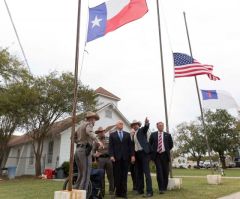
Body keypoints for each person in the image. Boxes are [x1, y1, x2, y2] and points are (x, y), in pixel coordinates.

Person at [74, 111, 104, 190]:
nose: (95, 122)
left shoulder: (80, 126)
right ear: (91, 119)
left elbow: (73, 137)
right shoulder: (89, 124)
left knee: (81, 174)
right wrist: (98, 141)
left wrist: (79, 143)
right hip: (84, 151)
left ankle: (75, 191)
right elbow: (89, 132)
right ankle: (82, 195)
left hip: (78, 151)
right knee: (86, 173)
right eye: (94, 119)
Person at [109, 120, 135, 198]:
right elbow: (111, 147)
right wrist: (111, 155)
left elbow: (130, 146)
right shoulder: (112, 135)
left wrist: (132, 156)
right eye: (120, 124)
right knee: (117, 176)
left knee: (124, 176)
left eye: (122, 124)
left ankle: (124, 193)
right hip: (116, 158)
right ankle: (118, 192)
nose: (121, 125)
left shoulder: (127, 134)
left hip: (125, 158)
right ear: (116, 125)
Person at [131, 118, 153, 197]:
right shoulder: (133, 134)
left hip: (144, 154)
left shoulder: (141, 131)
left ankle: (149, 191)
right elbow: (132, 146)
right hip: (137, 155)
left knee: (146, 173)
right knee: (138, 173)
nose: (134, 126)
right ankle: (140, 190)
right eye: (133, 125)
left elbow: (146, 128)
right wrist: (133, 156)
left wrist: (146, 123)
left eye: (136, 124)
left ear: (138, 125)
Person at [149, 122, 173, 194]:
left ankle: (164, 187)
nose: (161, 127)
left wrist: (166, 149)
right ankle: (161, 188)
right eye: (160, 126)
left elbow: (171, 145)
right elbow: (150, 144)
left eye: (162, 126)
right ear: (157, 127)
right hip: (157, 156)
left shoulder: (168, 135)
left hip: (165, 155)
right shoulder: (153, 135)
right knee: (159, 172)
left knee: (165, 172)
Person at [94, 126, 114, 195]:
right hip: (100, 160)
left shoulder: (109, 139)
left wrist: (112, 156)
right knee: (101, 176)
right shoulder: (96, 141)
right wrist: (95, 155)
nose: (101, 133)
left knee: (110, 176)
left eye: (102, 131)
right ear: (98, 133)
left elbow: (112, 148)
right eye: (99, 132)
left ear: (104, 132)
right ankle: (102, 192)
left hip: (108, 159)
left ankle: (111, 191)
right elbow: (93, 151)